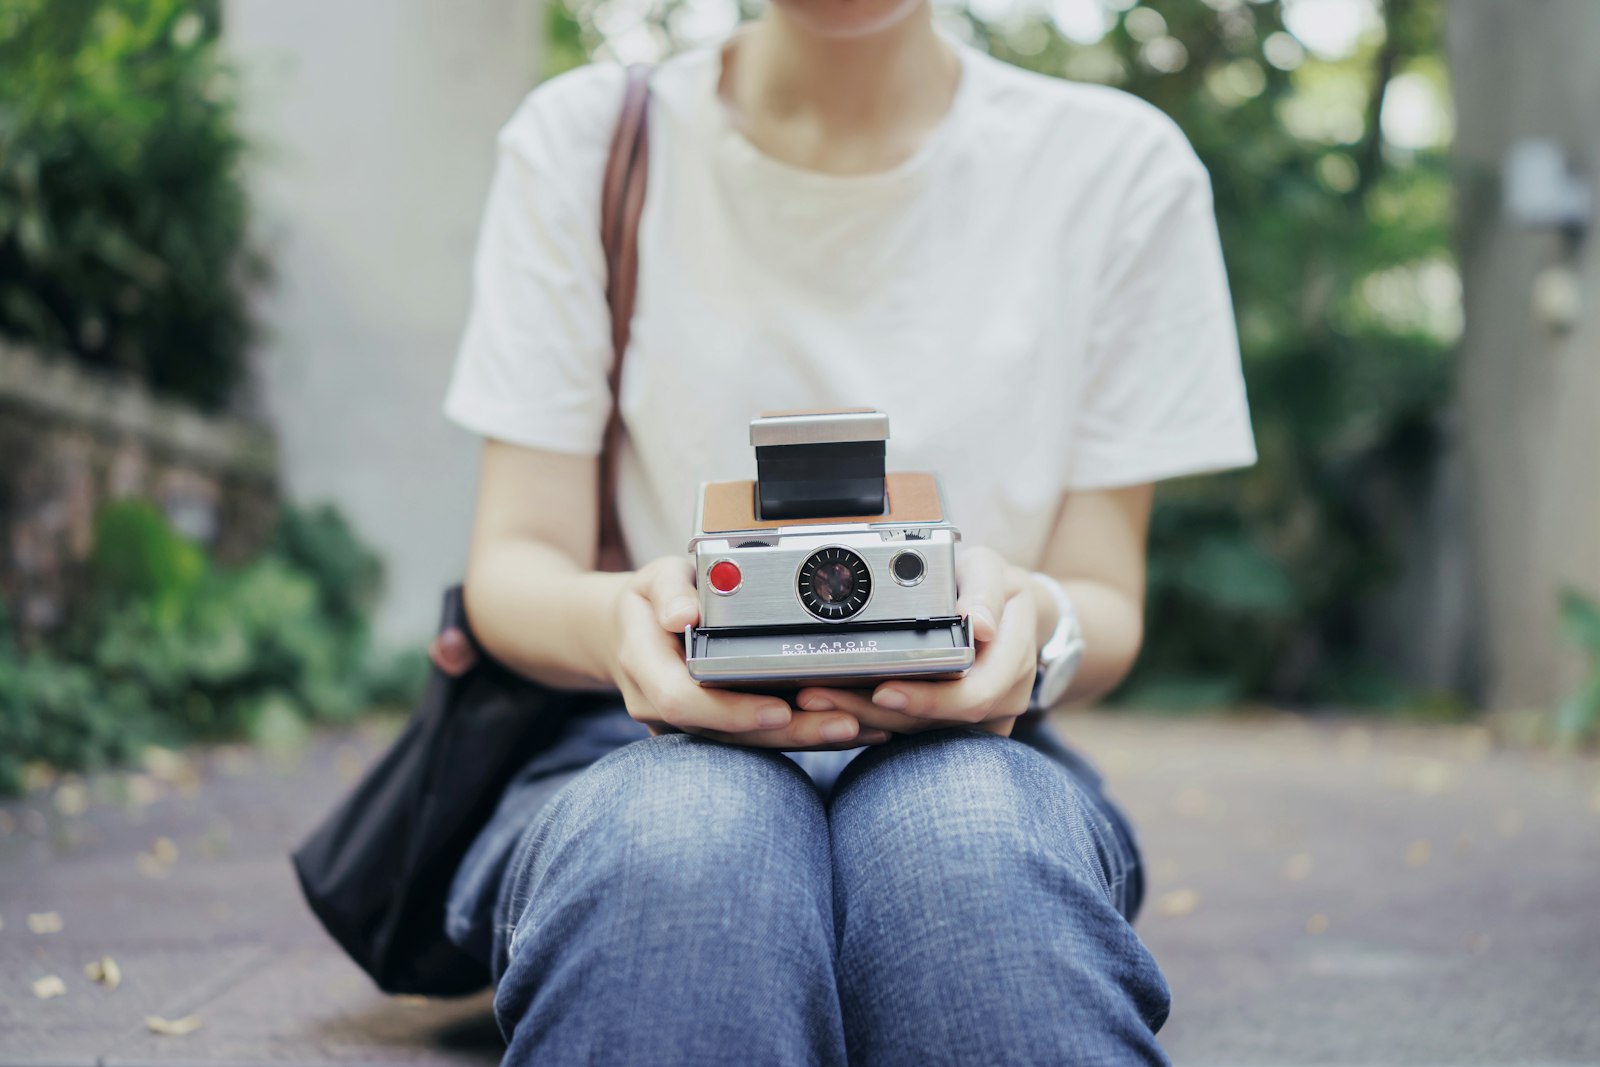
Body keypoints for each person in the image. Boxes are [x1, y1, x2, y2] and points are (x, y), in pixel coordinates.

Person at [435, 0, 1255, 1060]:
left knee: (969, 852)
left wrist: (1022, 616)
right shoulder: (586, 139)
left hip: (979, 734)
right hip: (633, 727)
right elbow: (511, 566)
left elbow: (1104, 598)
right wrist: (635, 620)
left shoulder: (1117, 165)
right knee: (679, 847)